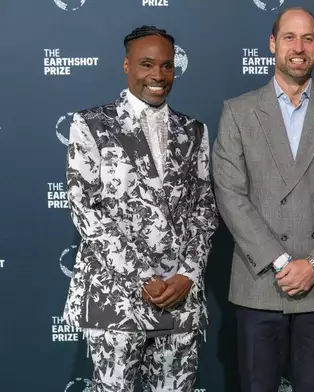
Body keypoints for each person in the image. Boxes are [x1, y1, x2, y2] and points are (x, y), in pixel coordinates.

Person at [212, 7, 314, 392]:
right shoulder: (238, 111)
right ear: (272, 44)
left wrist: (313, 264)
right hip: (260, 281)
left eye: (308, 39)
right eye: (289, 38)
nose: (298, 48)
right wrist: (281, 262)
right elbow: (230, 194)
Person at [62, 25, 218, 391]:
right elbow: (86, 209)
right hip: (117, 297)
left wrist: (188, 275)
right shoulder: (91, 124)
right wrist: (141, 277)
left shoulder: (194, 131)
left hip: (180, 298)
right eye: (147, 64)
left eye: (166, 66)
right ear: (127, 65)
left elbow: (205, 210)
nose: (158, 76)